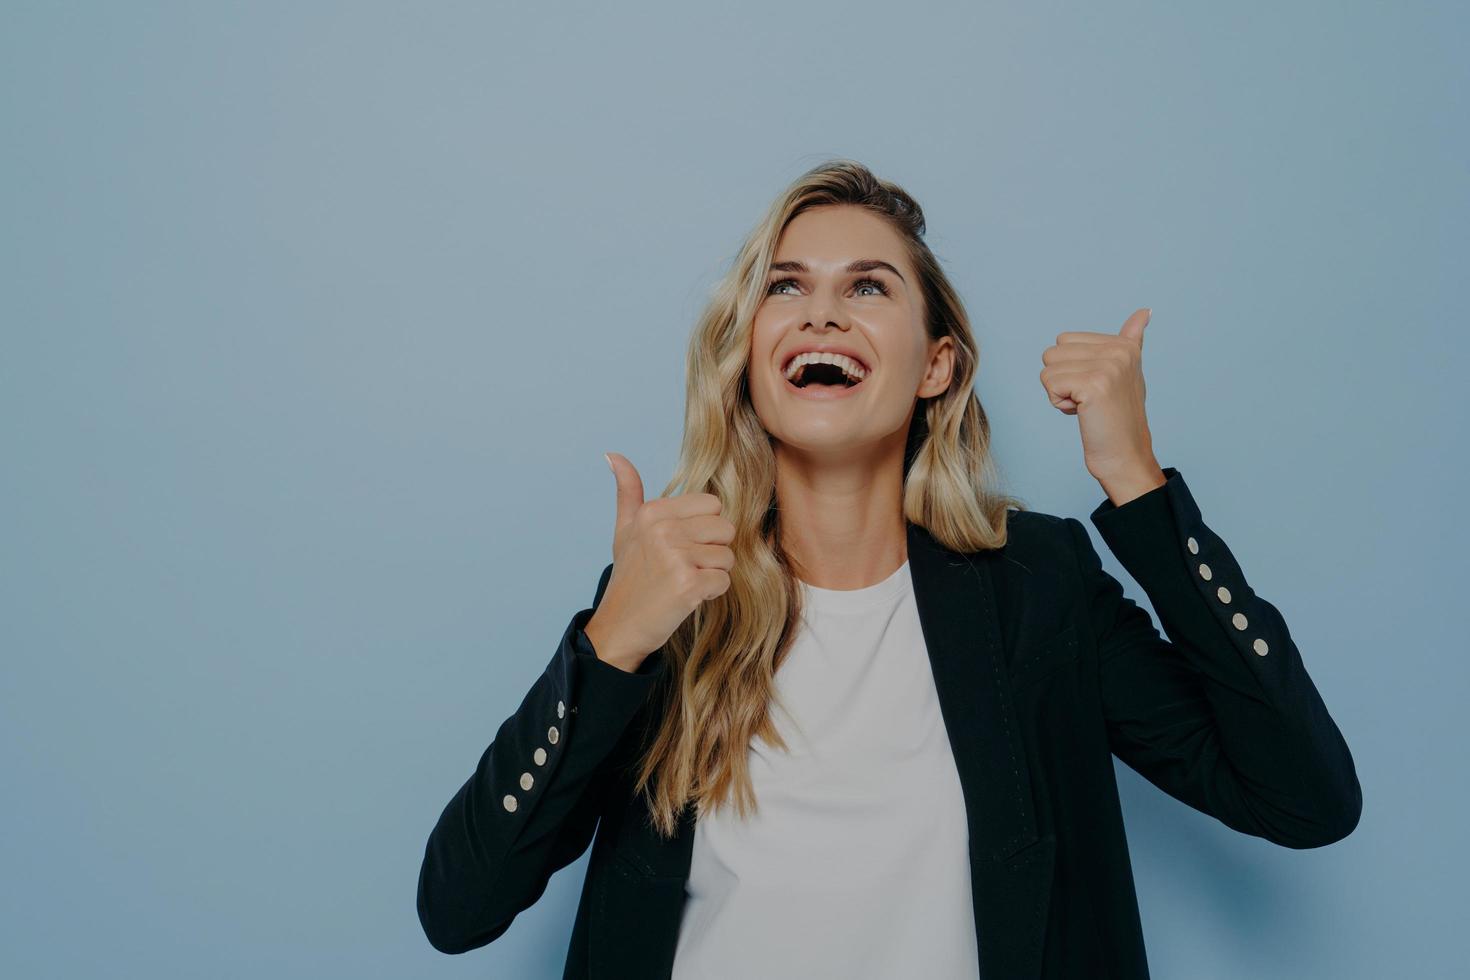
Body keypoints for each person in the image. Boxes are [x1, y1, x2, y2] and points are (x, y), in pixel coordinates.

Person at [416, 159, 1362, 978]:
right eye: (784, 288)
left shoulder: (1036, 591)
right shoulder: (669, 596)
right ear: (749, 356)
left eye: (867, 288)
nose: (820, 312)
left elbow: (1303, 798)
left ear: (936, 367)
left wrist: (1138, 486)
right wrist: (612, 638)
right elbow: (459, 908)